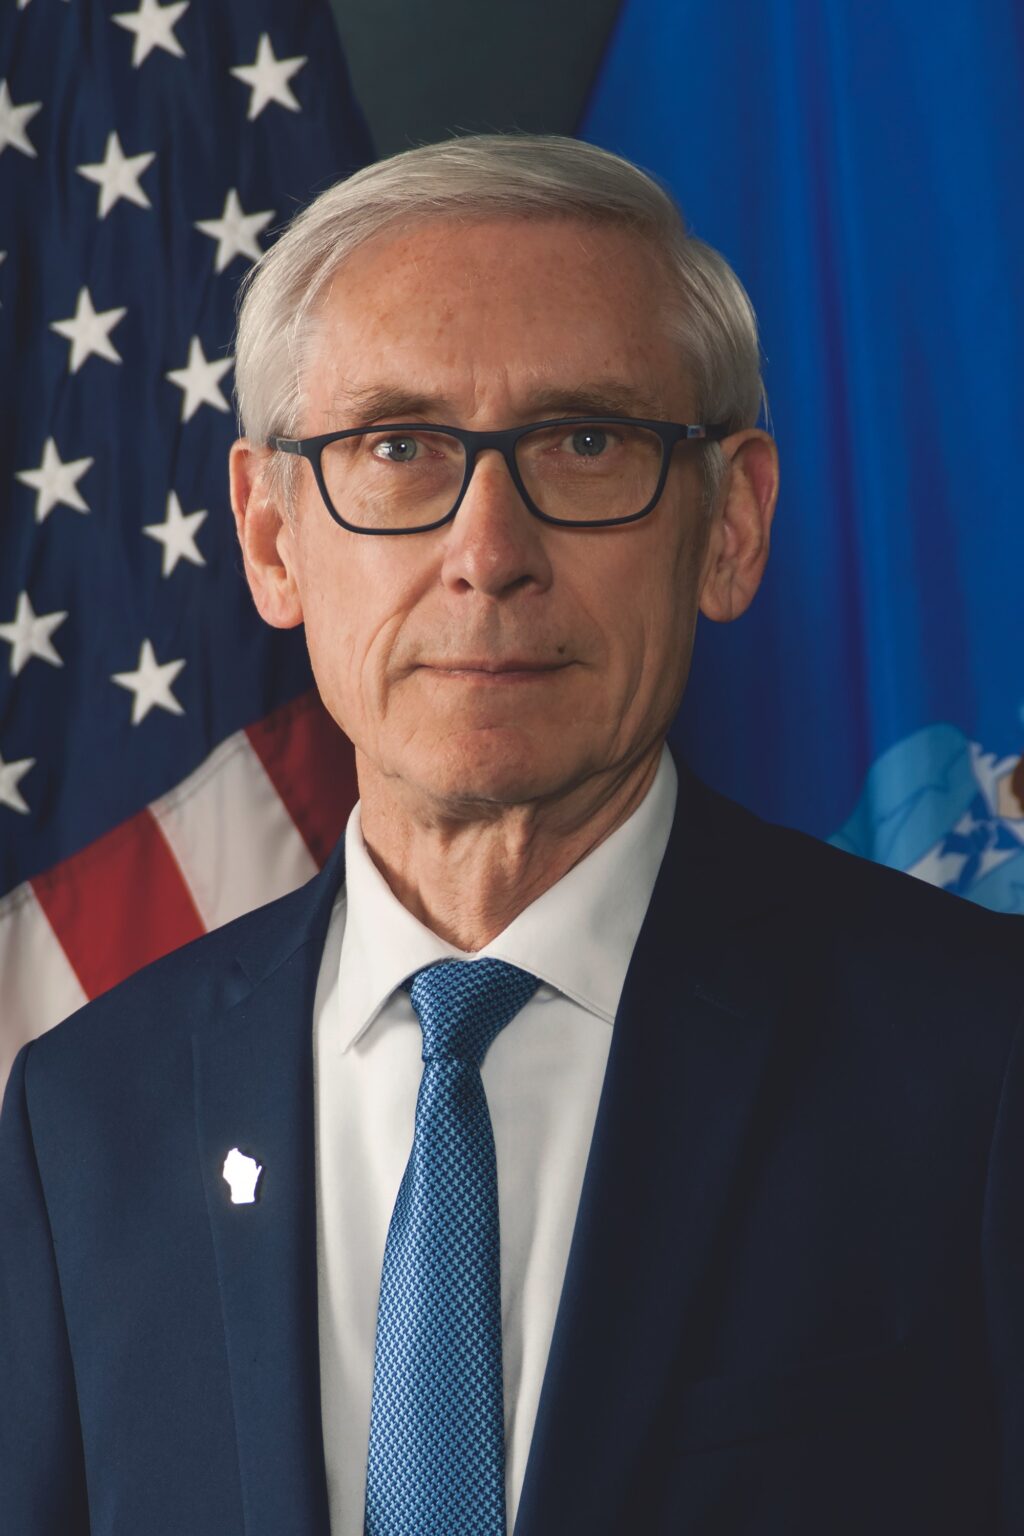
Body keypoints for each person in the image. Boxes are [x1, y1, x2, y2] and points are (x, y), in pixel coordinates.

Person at [1, 134, 1021, 1536]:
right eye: (399, 448)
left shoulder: (981, 1062)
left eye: (584, 442)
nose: (488, 549)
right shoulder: (85, 1117)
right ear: (272, 536)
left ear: (731, 523)